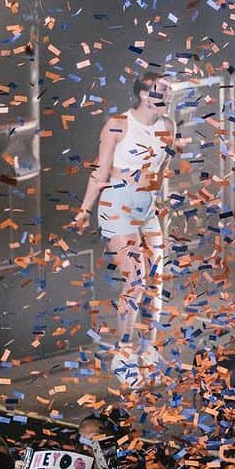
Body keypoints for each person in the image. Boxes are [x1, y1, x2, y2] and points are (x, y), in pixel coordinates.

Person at [71, 71, 176, 384]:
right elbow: (100, 171)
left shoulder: (168, 126)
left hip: (148, 211)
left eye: (170, 91)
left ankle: (148, 349)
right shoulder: (118, 124)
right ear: (145, 94)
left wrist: (163, 207)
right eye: (163, 90)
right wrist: (83, 210)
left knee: (156, 279)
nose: (168, 96)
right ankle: (124, 353)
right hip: (117, 207)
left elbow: (163, 172)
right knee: (136, 279)